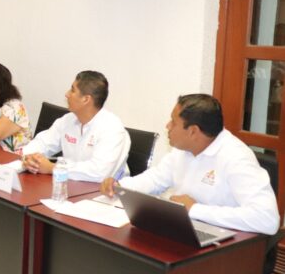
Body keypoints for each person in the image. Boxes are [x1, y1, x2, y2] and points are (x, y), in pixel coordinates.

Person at [101, 94, 279, 235]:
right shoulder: (183, 149)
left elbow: (267, 219)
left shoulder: (236, 158)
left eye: (173, 122)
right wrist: (120, 186)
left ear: (193, 131)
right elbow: (156, 179)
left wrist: (194, 210)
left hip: (225, 242)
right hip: (187, 229)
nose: (167, 126)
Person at [20, 70, 130, 182]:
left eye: (72, 90)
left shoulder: (112, 128)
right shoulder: (68, 119)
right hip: (70, 183)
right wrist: (29, 157)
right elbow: (43, 143)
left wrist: (52, 168)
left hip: (105, 189)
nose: (67, 94)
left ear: (86, 99)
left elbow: (99, 172)